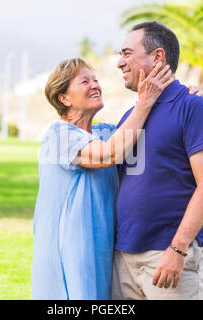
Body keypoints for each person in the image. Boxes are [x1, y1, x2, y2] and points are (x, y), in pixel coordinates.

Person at [31, 58, 174, 299]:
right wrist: (144, 101)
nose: (95, 85)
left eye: (95, 79)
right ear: (64, 98)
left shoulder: (106, 133)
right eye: (84, 81)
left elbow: (146, 129)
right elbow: (109, 155)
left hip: (101, 254)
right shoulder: (58, 135)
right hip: (67, 257)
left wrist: (189, 98)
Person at [111, 21, 203, 300]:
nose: (119, 63)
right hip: (124, 258)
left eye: (127, 53)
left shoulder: (192, 107)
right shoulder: (130, 116)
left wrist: (178, 249)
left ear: (158, 57)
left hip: (169, 255)